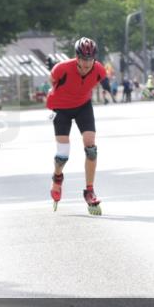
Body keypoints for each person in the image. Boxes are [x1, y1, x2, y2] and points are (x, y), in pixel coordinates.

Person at [45, 37, 109, 215]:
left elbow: (105, 83)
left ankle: (89, 190)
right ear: (77, 57)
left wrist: (108, 90)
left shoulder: (98, 69)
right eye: (84, 59)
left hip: (83, 107)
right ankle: (57, 177)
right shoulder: (62, 68)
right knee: (62, 155)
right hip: (61, 108)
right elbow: (51, 80)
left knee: (91, 149)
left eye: (91, 59)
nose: (87, 63)